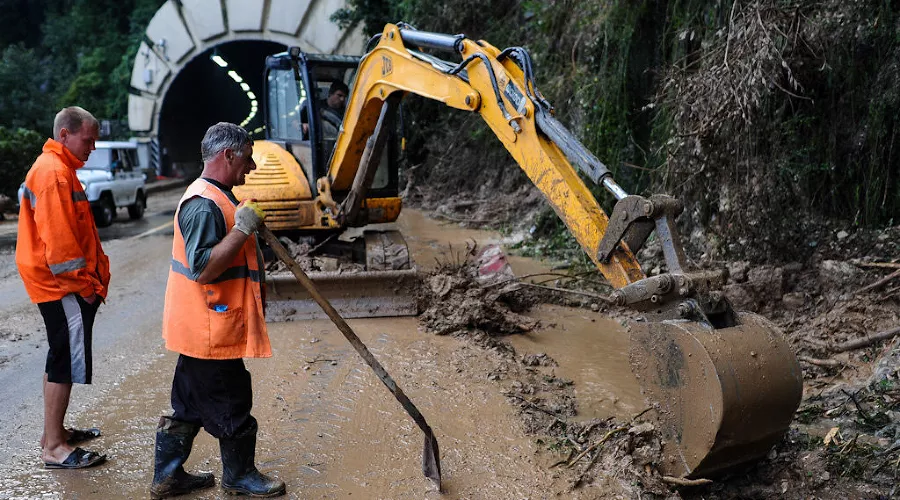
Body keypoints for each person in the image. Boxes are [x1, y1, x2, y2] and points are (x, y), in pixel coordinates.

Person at [150, 122, 286, 498]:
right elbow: (204, 268)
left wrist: (246, 228)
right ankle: (239, 476)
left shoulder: (217, 196)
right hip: (210, 326)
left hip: (202, 326)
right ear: (227, 155)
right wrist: (242, 230)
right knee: (232, 401)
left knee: (188, 404)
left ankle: (168, 477)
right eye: (247, 157)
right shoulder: (203, 204)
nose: (252, 166)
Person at [16, 106, 110, 470]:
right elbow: (61, 246)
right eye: (88, 140)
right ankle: (55, 447)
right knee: (65, 363)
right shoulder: (55, 174)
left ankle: (52, 433)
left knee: (58, 355)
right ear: (66, 134)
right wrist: (84, 288)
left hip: (55, 283)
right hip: (62, 286)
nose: (92, 148)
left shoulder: (56, 169)